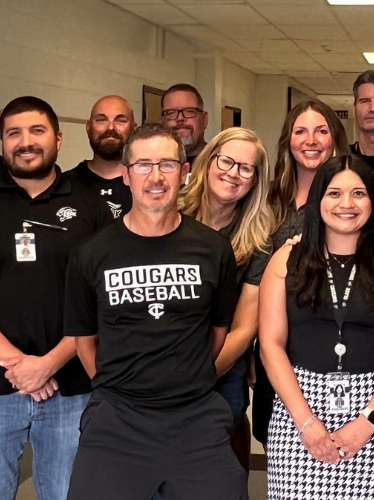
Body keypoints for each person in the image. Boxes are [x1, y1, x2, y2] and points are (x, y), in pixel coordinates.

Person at [0, 96, 111, 500]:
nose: (25, 142)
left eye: (37, 131)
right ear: (1, 139)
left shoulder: (91, 207)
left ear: (59, 139)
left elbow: (102, 304)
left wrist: (47, 364)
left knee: (69, 494)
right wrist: (19, 365)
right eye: (13, 133)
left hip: (73, 388)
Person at [64, 124, 247, 500]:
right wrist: (128, 386)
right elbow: (85, 343)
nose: (156, 176)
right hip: (117, 420)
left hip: (195, 416)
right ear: (125, 174)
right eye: (144, 165)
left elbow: (217, 334)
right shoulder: (91, 253)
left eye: (167, 163)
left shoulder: (213, 250)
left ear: (185, 172)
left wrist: (179, 379)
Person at [259, 155, 374, 499]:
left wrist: (368, 422)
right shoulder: (286, 260)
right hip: (300, 413)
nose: (346, 204)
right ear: (318, 199)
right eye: (334, 194)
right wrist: (306, 423)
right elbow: (270, 344)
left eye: (358, 194)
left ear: (373, 203)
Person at [248, 99, 351, 445]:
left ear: (335, 138)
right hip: (271, 343)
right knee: (273, 437)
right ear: (287, 140)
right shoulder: (267, 199)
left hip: (327, 343)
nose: (311, 140)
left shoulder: (348, 201)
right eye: (301, 131)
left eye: (321, 131)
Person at [177, 127, 280, 466]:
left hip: (219, 369)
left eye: (246, 168)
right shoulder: (170, 213)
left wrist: (198, 378)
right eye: (226, 161)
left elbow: (245, 328)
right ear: (209, 161)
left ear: (255, 180)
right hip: (160, 365)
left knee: (215, 472)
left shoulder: (261, 237)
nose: (233, 173)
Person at [72, 95, 136, 218]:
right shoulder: (65, 185)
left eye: (121, 120)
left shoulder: (147, 186)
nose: (110, 127)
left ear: (134, 129)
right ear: (88, 128)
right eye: (101, 120)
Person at [162, 83, 209, 163]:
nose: (180, 118)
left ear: (205, 119)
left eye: (189, 111)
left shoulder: (219, 165)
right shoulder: (155, 166)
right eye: (171, 113)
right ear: (162, 121)